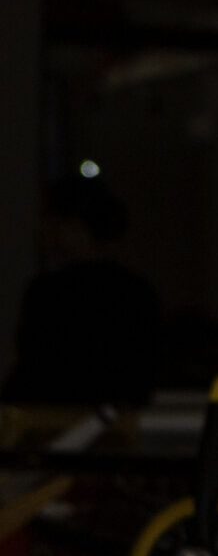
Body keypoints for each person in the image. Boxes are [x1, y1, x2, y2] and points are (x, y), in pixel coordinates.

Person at [3, 174, 159, 408]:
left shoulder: (47, 293)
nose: (40, 228)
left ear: (73, 224)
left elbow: (29, 371)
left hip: (48, 421)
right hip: (117, 422)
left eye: (47, 218)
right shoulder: (137, 291)